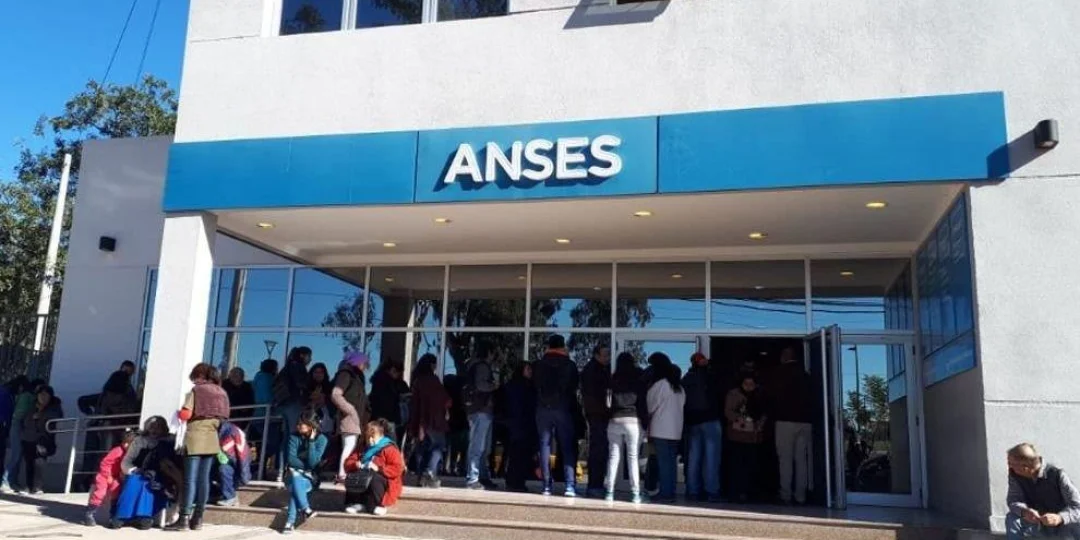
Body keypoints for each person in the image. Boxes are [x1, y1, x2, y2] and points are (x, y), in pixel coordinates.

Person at [168, 364, 231, 531]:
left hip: (195, 438)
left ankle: (183, 519)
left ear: (201, 376)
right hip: (212, 439)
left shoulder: (197, 391)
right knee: (204, 480)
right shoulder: (222, 392)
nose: (194, 380)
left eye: (195, 376)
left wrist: (179, 413)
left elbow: (186, 414)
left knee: (189, 480)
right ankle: (198, 519)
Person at [532, 335, 580, 497]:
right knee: (567, 446)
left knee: (544, 445)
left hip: (542, 408)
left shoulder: (539, 364)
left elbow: (534, 384)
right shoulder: (569, 365)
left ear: (548, 346)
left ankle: (546, 485)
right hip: (562, 408)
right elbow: (574, 386)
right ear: (562, 346)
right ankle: (569, 485)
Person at [1006, 443, 1080, 539]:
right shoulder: (1015, 476)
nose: (1009, 467)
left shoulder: (1058, 475)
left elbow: (1077, 506)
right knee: (1012, 518)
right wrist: (1024, 511)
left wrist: (1059, 518)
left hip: (1062, 526)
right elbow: (1013, 500)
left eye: (1011, 464)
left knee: (1074, 523)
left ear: (1025, 467)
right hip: (1037, 524)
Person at [115, 416, 177, 530]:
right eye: (151, 427)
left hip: (161, 473)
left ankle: (144, 516)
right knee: (134, 480)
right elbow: (127, 461)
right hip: (139, 470)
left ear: (164, 428)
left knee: (150, 482)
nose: (154, 430)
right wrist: (134, 470)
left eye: (158, 427)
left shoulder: (170, 441)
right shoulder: (139, 441)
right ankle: (122, 516)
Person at [769, 347, 814, 505]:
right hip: (805, 422)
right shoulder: (806, 376)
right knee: (802, 460)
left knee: (785, 460)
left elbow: (771, 397)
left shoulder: (778, 374)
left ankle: (785, 494)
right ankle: (801, 495)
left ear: (784, 357)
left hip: (785, 421)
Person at [605, 352, 645, 503]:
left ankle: (609, 492)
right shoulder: (638, 380)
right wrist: (645, 423)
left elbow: (607, 402)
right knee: (633, 458)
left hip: (614, 420)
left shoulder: (613, 379)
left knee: (613, 457)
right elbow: (642, 403)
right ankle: (635, 494)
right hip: (632, 420)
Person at [682, 352, 723, 503]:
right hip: (710, 419)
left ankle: (693, 491)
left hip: (693, 422)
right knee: (711, 458)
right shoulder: (710, 376)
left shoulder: (687, 378)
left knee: (694, 458)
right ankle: (711, 491)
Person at [343, 419, 405, 516]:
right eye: (368, 438)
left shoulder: (390, 448)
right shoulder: (362, 447)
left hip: (385, 479)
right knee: (354, 476)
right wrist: (355, 464)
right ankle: (357, 503)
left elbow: (397, 468)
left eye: (373, 437)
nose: (370, 440)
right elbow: (348, 462)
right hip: (364, 475)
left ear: (380, 436)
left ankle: (379, 505)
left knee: (375, 478)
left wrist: (379, 469)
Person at [646, 353, 685, 504]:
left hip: (661, 429)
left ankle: (665, 493)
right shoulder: (680, 389)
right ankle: (671, 492)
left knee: (663, 463)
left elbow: (650, 404)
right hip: (676, 430)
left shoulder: (661, 384)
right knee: (671, 463)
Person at [408, 354, 451, 489]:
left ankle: (421, 477)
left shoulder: (417, 381)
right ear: (431, 365)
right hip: (435, 420)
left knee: (422, 449)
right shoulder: (433, 380)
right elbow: (445, 399)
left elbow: (415, 403)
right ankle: (430, 472)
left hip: (421, 420)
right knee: (438, 446)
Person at [281, 411, 327, 534]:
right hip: (291, 475)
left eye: (302, 424)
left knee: (296, 486)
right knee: (296, 478)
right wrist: (306, 467)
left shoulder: (322, 439)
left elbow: (313, 463)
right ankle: (306, 509)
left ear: (311, 425)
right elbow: (291, 459)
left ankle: (290, 522)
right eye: (298, 423)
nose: (298, 426)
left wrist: (311, 442)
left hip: (311, 478)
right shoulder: (293, 437)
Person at [463, 341, 499, 490]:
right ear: (488, 353)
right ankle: (473, 478)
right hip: (481, 410)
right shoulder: (482, 367)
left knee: (482, 446)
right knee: (478, 446)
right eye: (492, 352)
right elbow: (481, 385)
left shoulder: (471, 366)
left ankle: (482, 476)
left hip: (476, 410)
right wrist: (494, 385)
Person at [725, 374, 766, 503]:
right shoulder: (734, 394)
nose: (748, 387)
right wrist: (740, 419)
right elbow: (728, 412)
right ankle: (735, 493)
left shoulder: (759, 395)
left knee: (752, 466)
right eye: (746, 384)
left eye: (751, 384)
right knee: (736, 465)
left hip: (753, 437)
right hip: (737, 435)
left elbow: (764, 412)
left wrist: (760, 423)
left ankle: (749, 492)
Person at [83, 430, 137, 527]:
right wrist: (108, 475)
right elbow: (104, 463)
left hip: (115, 477)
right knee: (100, 492)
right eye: (128, 444)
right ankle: (90, 513)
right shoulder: (117, 451)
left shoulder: (129, 454)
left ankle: (113, 514)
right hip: (104, 476)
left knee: (116, 490)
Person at [274, 347, 312, 478]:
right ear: (303, 355)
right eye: (309, 356)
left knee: (286, 438)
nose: (310, 360)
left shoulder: (287, 367)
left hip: (283, 405)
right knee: (294, 436)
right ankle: (292, 468)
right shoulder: (298, 367)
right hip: (294, 404)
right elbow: (301, 384)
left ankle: (280, 469)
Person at [331, 351, 371, 480]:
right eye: (364, 363)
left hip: (355, 416)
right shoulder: (346, 374)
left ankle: (344, 472)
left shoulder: (356, 377)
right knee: (349, 444)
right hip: (349, 417)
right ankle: (342, 473)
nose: (365, 367)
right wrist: (351, 410)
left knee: (349, 445)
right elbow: (336, 395)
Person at [18, 385, 63, 494]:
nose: (43, 397)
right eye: (40, 395)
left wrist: (41, 414)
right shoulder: (32, 407)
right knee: (29, 463)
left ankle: (37, 487)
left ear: (50, 396)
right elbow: (25, 420)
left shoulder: (54, 407)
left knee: (39, 463)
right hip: (28, 439)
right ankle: (28, 486)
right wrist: (33, 417)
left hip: (44, 440)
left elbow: (55, 418)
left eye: (46, 395)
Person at [580, 345, 612, 498]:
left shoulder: (599, 369)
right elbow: (597, 393)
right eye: (605, 355)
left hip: (598, 414)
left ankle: (597, 484)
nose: (608, 358)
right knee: (598, 449)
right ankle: (594, 485)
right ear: (596, 355)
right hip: (597, 414)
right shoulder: (593, 371)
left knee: (600, 449)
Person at [503, 362, 538, 493]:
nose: (530, 372)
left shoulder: (524, 386)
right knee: (518, 454)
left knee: (521, 455)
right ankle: (515, 482)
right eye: (528, 369)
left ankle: (517, 482)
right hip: (520, 425)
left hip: (521, 425)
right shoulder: (520, 386)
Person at [2, 376, 33, 492]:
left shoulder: (14, 395)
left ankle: (11, 481)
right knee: (16, 454)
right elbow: (18, 413)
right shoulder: (25, 396)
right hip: (16, 425)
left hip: (13, 425)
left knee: (17, 455)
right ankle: (6, 480)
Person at [213, 420, 251, 507]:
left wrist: (244, 477)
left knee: (223, 469)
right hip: (220, 461)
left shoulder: (233, 431)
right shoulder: (212, 431)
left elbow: (243, 455)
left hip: (233, 465)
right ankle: (215, 494)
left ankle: (230, 497)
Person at [369, 361, 409, 440]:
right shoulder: (388, 383)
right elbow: (386, 402)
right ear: (392, 370)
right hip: (387, 419)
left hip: (380, 418)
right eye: (398, 372)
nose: (398, 375)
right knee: (390, 443)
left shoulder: (378, 381)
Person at [308, 363, 336, 434]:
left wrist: (325, 398)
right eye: (316, 372)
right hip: (309, 419)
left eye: (321, 372)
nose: (318, 374)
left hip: (326, 420)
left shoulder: (329, 387)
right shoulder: (306, 386)